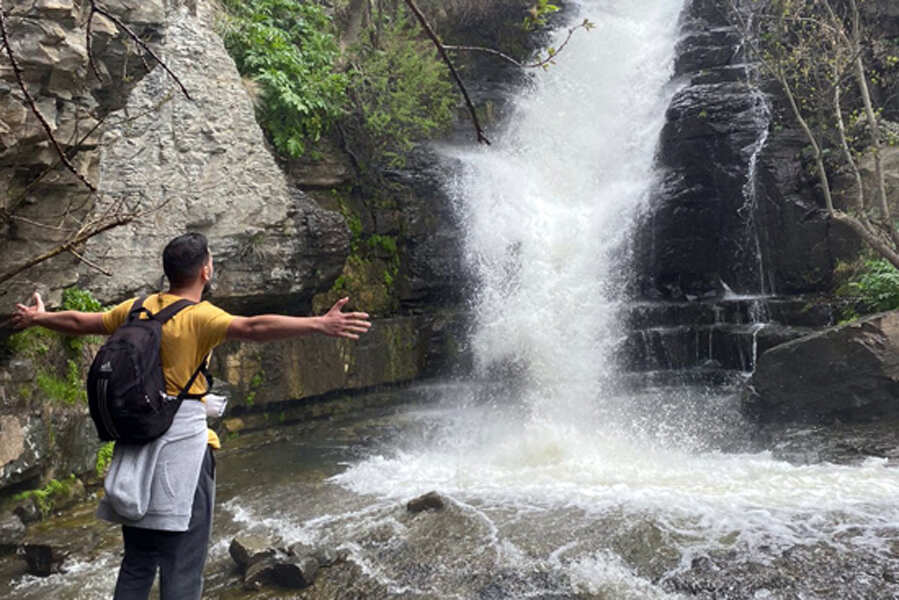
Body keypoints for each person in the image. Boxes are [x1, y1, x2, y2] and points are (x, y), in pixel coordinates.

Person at [10, 232, 371, 600]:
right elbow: (253, 328)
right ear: (206, 271)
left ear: (168, 272)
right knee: (182, 568)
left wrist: (40, 318)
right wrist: (319, 324)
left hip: (134, 447)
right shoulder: (199, 317)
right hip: (182, 455)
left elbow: (81, 322)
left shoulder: (138, 309)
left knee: (137, 563)